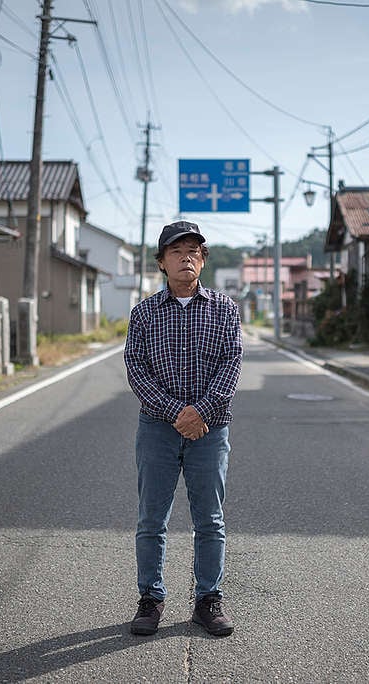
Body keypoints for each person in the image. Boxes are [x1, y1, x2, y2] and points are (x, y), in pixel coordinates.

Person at [123, 220, 243, 637]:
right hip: (157, 428)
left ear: (204, 260)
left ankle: (208, 599)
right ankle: (150, 599)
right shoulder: (143, 313)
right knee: (151, 519)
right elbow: (136, 370)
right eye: (176, 251)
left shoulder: (225, 308)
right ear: (161, 263)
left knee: (210, 519)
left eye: (194, 251)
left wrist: (201, 413)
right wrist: (177, 412)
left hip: (212, 429)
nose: (186, 257)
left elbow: (231, 364)